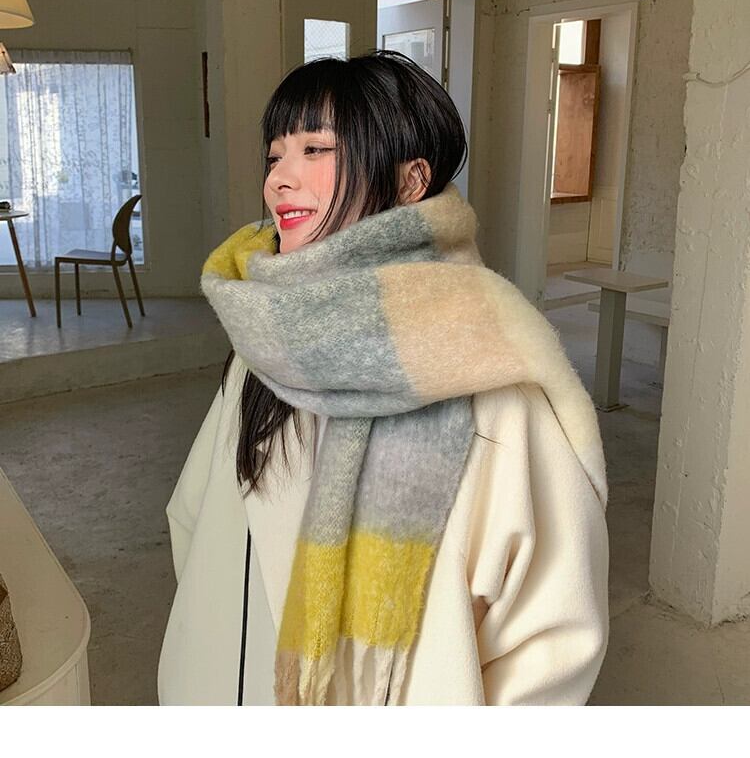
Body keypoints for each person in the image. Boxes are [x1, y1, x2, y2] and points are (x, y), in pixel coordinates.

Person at [157, 50, 610, 706]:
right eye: (274, 155)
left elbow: (551, 632)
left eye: (315, 149)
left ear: (410, 180)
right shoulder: (262, 347)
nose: (279, 178)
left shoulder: (488, 380)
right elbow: (196, 516)